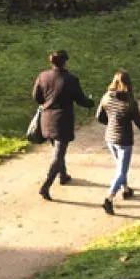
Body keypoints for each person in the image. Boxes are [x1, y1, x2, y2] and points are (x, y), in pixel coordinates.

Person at [33, 50, 96, 201]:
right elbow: (80, 100)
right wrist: (91, 103)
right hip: (62, 121)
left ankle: (63, 175)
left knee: (57, 148)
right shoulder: (71, 79)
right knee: (58, 154)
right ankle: (46, 185)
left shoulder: (43, 76)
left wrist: (46, 103)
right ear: (65, 62)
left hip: (46, 119)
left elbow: (36, 97)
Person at [93, 70, 140, 215]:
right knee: (122, 171)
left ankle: (126, 190)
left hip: (110, 138)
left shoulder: (107, 97)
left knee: (119, 167)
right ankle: (108, 199)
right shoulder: (130, 102)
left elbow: (99, 117)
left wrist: (111, 123)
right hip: (124, 140)